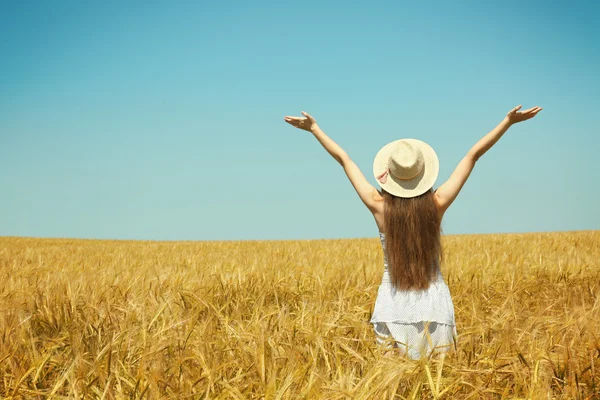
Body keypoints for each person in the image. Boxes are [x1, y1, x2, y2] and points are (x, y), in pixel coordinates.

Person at [283, 105, 542, 359]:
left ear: (390, 176)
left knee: (392, 385)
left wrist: (315, 129)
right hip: (435, 306)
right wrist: (507, 122)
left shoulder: (379, 207)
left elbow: (344, 160)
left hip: (391, 306)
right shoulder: (437, 205)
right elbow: (472, 156)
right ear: (423, 175)